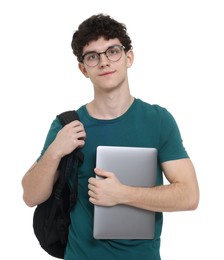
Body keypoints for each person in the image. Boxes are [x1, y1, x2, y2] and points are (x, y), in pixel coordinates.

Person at [21, 13, 199, 260]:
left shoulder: (158, 120)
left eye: (112, 51)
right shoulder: (68, 125)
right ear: (83, 69)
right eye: (93, 57)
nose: (104, 62)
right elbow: (30, 196)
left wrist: (122, 193)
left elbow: (189, 196)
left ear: (129, 57)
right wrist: (55, 151)